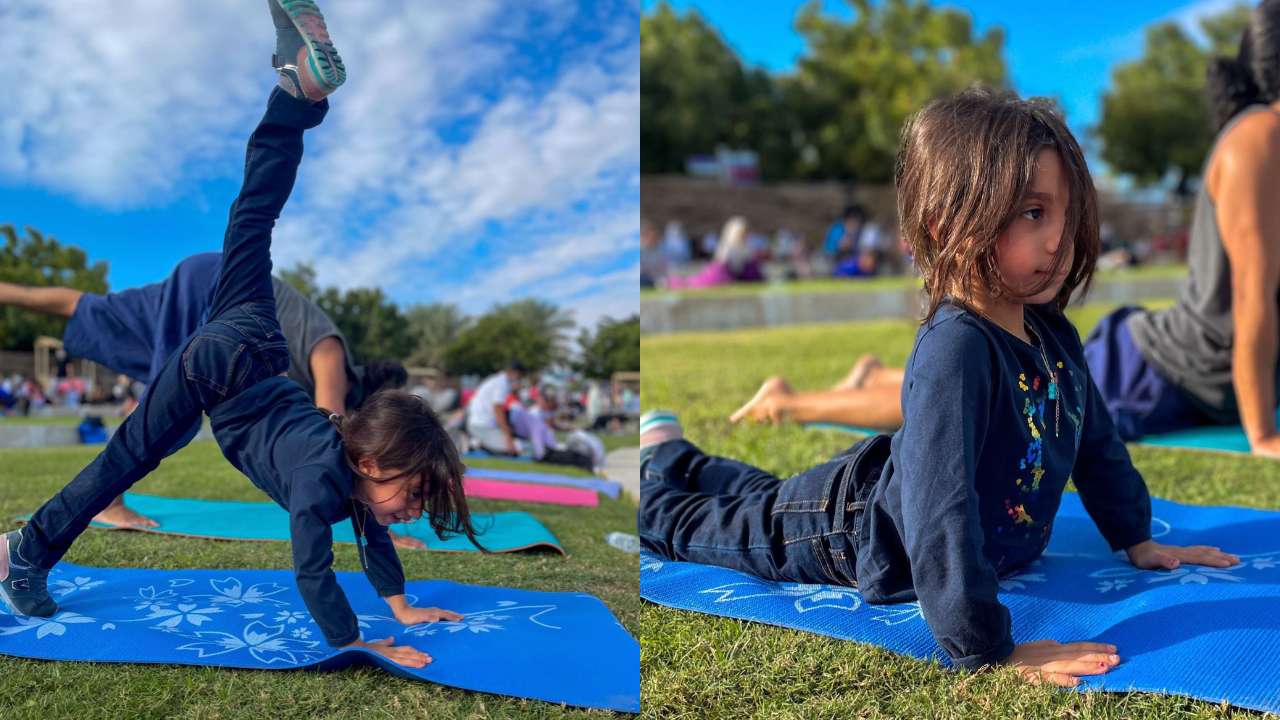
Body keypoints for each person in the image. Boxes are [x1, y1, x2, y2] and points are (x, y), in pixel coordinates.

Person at [640, 88, 1239, 687]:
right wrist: (987, 647)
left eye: (1065, 214)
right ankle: (653, 481)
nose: (1060, 238)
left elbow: (1094, 440)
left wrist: (1135, 535)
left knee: (766, 494)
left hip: (878, 489)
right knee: (723, 527)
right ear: (947, 224)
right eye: (1033, 213)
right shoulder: (957, 349)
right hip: (851, 530)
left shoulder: (1051, 333)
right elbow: (939, 508)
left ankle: (677, 453)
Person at [0, 2, 474, 668]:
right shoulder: (318, 478)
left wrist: (399, 604)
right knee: (125, 461)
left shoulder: (353, 467)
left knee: (254, 217)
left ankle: (297, 91)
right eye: (416, 492)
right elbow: (313, 571)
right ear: (371, 462)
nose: (416, 509)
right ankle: (27, 554)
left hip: (257, 337)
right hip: (220, 369)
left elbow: (373, 535)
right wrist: (356, 638)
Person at [0, 254, 408, 532]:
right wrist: (376, 525)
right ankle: (108, 501)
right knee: (169, 412)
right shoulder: (332, 354)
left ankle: (8, 291)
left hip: (204, 281)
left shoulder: (324, 345)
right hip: (210, 290)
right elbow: (328, 442)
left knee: (91, 307)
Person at [663, 217, 764, 289]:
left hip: (736, 277)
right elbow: (723, 265)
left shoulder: (747, 247)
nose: (745, 235)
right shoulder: (727, 247)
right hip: (722, 277)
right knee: (693, 284)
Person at [465, 362, 525, 455]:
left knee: (514, 445)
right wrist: (508, 437)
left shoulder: (497, 380)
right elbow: (498, 410)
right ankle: (475, 444)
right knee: (517, 447)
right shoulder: (502, 383)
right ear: (515, 373)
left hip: (479, 424)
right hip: (482, 426)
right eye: (520, 376)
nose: (519, 379)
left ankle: (477, 443)